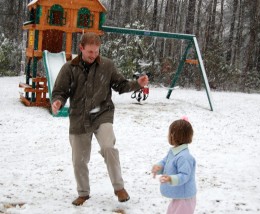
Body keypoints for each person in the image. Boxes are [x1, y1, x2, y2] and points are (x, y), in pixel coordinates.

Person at [51, 32, 149, 206]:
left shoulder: (107, 66)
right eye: (90, 52)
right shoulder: (69, 68)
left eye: (96, 52)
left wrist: (137, 84)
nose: (93, 55)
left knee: (108, 147)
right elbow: (60, 91)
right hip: (79, 117)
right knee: (79, 159)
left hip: (102, 113)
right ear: (81, 48)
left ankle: (119, 188)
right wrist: (58, 101)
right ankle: (83, 193)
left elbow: (121, 85)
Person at [151, 117, 197, 214]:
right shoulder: (173, 151)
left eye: (169, 133)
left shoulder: (184, 157)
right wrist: (158, 167)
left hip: (184, 198)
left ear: (173, 136)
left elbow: (184, 175)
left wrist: (171, 179)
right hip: (179, 197)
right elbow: (165, 162)